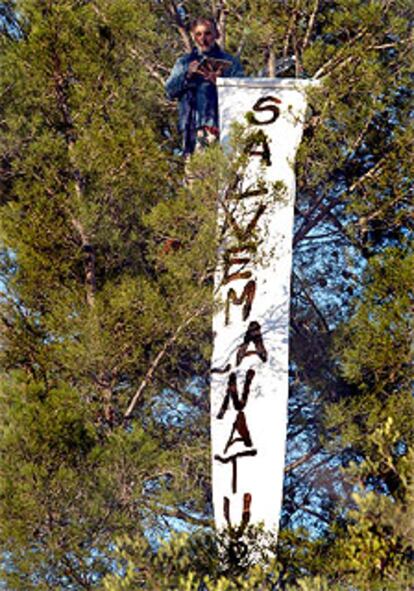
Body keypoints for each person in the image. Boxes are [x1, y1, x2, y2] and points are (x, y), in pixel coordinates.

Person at [165, 17, 243, 156]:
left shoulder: (231, 63)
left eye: (207, 33)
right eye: (198, 34)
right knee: (194, 173)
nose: (203, 39)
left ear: (216, 34)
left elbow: (243, 94)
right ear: (193, 36)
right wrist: (187, 75)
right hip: (191, 127)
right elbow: (169, 91)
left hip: (222, 125)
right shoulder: (184, 62)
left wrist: (220, 83)